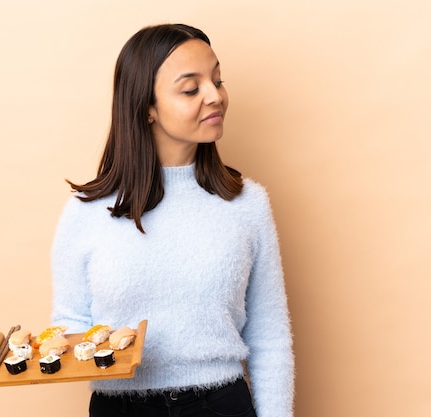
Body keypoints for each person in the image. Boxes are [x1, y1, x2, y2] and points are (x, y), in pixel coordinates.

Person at [50, 23, 294, 417]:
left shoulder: (247, 204)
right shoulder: (86, 210)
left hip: (221, 405)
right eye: (190, 88)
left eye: (217, 80)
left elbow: (269, 334)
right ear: (146, 107)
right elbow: (70, 321)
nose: (215, 96)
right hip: (119, 407)